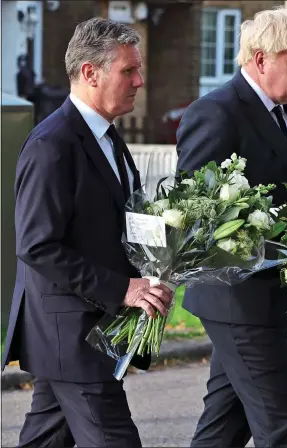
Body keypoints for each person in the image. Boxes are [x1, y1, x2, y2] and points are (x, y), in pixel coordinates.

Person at [2, 17, 173, 448]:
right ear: (90, 73)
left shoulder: (107, 137)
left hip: (85, 333)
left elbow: (117, 221)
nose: (140, 80)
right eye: (128, 71)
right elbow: (37, 246)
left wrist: (162, 264)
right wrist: (125, 289)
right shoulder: (52, 145)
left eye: (139, 69)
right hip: (71, 336)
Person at [176, 7, 287, 448]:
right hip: (240, 302)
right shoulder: (217, 112)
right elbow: (193, 213)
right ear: (261, 60)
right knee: (281, 421)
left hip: (273, 301)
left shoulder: (281, 110)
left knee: (224, 427)